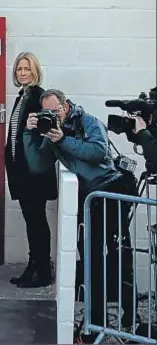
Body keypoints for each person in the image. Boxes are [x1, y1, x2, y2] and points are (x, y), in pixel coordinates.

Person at [23, 89, 137, 336]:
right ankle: (94, 323)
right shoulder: (51, 131)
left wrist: (63, 140)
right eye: (46, 113)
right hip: (90, 200)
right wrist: (28, 132)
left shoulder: (89, 122)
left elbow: (97, 152)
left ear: (65, 107)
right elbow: (36, 164)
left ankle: (131, 320)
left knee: (119, 256)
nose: (51, 117)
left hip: (112, 191)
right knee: (90, 260)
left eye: (54, 112)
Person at [4, 52, 58, 288]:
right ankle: (33, 266)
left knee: (36, 221)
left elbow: (45, 132)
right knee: (31, 220)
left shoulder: (38, 97)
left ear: (35, 71)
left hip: (34, 172)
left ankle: (42, 271)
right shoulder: (21, 96)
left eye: (27, 68)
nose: (23, 73)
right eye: (19, 69)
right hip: (21, 172)